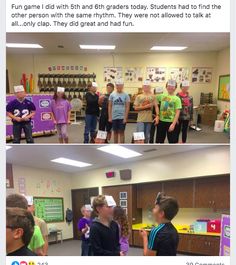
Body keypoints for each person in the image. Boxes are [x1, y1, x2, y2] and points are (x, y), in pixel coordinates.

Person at [108, 79, 130, 143]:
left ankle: (122, 146)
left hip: (122, 117)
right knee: (115, 132)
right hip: (114, 116)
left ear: (123, 86)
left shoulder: (126, 95)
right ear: (116, 86)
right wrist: (110, 117)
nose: (119, 87)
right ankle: (116, 146)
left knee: (121, 132)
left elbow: (127, 106)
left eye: (120, 85)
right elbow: (110, 106)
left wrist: (125, 118)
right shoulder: (112, 95)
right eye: (117, 85)